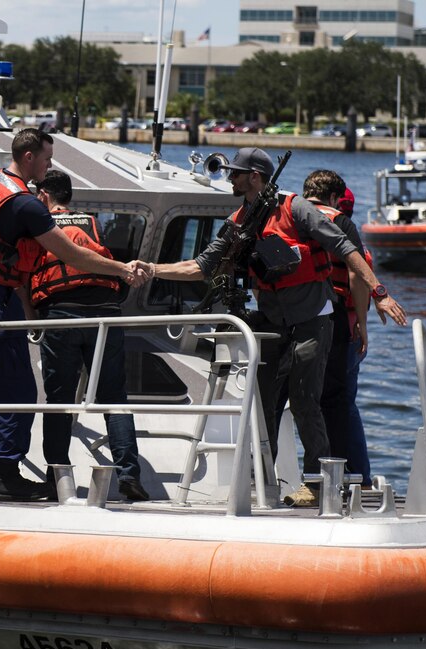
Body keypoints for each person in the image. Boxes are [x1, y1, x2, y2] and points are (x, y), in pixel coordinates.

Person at [146, 148, 406, 506]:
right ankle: (261, 478)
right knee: (265, 401)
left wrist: (379, 293)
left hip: (313, 318)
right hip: (272, 322)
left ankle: (316, 484)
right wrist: (152, 269)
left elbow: (346, 249)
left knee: (304, 399)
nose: (231, 179)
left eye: (236, 173)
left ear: (255, 176)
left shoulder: (296, 208)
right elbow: (202, 266)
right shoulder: (239, 220)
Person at [0, 128, 146, 501]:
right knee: (19, 388)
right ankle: (7, 472)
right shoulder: (26, 204)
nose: (49, 165)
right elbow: (70, 254)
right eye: (46, 159)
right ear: (28, 158)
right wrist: (121, 269)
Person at [28, 170, 148, 502]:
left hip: (62, 313)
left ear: (44, 197)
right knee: (114, 399)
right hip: (105, 313)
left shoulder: (40, 226)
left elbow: (24, 272)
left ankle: (57, 479)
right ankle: (129, 477)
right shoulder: (93, 223)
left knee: (60, 402)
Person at [302, 171, 377, 484]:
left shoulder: (289, 218)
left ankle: (313, 475)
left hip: (296, 323)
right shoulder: (342, 223)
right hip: (337, 324)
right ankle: (357, 476)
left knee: (306, 403)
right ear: (336, 199)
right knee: (341, 404)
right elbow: (356, 275)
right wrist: (362, 322)